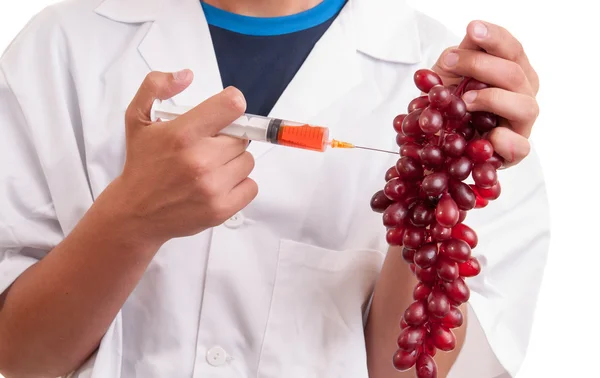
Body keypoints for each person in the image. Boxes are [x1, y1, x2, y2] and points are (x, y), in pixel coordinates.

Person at [0, 0, 549, 377]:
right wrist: (129, 221)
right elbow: (19, 354)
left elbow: (407, 366)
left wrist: (434, 194)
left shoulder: (466, 99)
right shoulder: (60, 50)